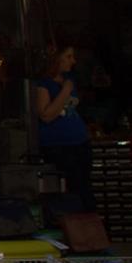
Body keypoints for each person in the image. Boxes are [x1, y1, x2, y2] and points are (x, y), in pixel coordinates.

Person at [35, 45, 94, 211]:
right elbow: (46, 115)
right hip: (60, 146)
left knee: (84, 188)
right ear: (56, 59)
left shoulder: (70, 80)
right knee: (71, 192)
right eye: (68, 57)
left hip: (80, 142)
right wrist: (65, 91)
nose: (72, 61)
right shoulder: (44, 84)